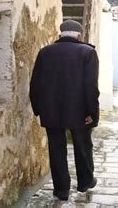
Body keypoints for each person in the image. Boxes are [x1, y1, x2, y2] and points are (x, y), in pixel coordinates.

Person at [29, 20, 99, 201]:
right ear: (79, 35)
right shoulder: (87, 52)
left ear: (61, 34)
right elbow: (90, 87)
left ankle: (62, 190)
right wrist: (93, 113)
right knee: (83, 146)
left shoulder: (45, 52)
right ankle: (85, 182)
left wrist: (38, 108)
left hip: (51, 110)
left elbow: (35, 83)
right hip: (80, 110)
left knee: (56, 149)